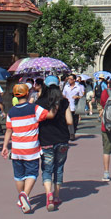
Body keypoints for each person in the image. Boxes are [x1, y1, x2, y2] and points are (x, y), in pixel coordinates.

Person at [2, 83, 56, 214]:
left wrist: (4, 146)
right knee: (32, 173)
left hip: (16, 148)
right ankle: (25, 195)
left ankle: (22, 197)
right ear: (27, 94)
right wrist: (56, 103)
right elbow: (50, 115)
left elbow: (9, 130)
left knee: (19, 175)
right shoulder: (34, 108)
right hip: (31, 147)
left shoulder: (12, 111)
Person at [35, 76, 72, 211]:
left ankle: (48, 193)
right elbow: (69, 121)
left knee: (47, 168)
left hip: (46, 139)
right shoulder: (64, 102)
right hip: (62, 138)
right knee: (59, 167)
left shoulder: (40, 102)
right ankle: (56, 196)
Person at [62, 74, 84, 140]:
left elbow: (82, 96)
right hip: (68, 106)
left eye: (70, 79)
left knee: (75, 121)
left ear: (74, 80)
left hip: (75, 106)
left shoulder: (78, 87)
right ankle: (71, 134)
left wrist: (77, 97)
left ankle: (73, 132)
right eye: (68, 79)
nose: (69, 80)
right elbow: (63, 95)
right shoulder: (66, 87)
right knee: (69, 121)